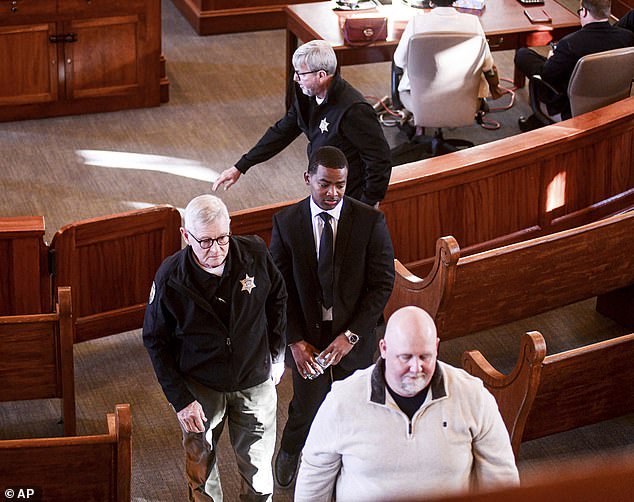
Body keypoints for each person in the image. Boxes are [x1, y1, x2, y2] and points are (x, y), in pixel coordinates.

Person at [142, 194, 287, 502]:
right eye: (205, 241)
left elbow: (278, 299)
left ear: (230, 228)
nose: (216, 250)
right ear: (186, 236)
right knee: (201, 471)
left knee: (259, 470)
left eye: (222, 238)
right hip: (200, 387)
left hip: (254, 380)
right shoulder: (170, 277)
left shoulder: (255, 253)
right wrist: (181, 401)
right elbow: (155, 341)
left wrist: (276, 356)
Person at [295, 306, 520, 502]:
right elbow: (315, 473)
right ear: (384, 349)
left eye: (425, 357)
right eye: (405, 357)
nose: (416, 368)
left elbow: (501, 479)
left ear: (437, 347)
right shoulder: (343, 400)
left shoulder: (473, 396)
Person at [269, 145, 395, 488]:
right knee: (307, 406)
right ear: (308, 178)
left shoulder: (370, 221)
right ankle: (291, 450)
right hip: (307, 336)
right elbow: (278, 291)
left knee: (354, 406)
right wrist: (294, 341)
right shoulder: (286, 223)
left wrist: (350, 336)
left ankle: (351, 465)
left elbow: (382, 284)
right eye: (324, 184)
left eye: (340, 185)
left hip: (352, 335)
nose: (333, 193)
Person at [212, 40, 392, 207]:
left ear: (321, 75)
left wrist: (366, 205)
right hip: (323, 188)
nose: (295, 79)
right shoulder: (306, 96)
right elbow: (282, 131)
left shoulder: (354, 110)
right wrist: (241, 166)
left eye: (300, 74)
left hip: (349, 195)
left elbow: (379, 160)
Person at [515, 0, 634, 130]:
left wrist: (551, 59)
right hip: (612, 103)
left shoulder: (569, 44)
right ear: (608, 12)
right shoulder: (627, 38)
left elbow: (547, 75)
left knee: (523, 55)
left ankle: (538, 121)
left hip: (572, 108)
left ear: (584, 12)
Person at [392, 0, 504, 106]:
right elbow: (487, 65)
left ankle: (415, 119)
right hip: (466, 98)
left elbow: (399, 61)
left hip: (420, 99)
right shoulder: (473, 22)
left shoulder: (415, 23)